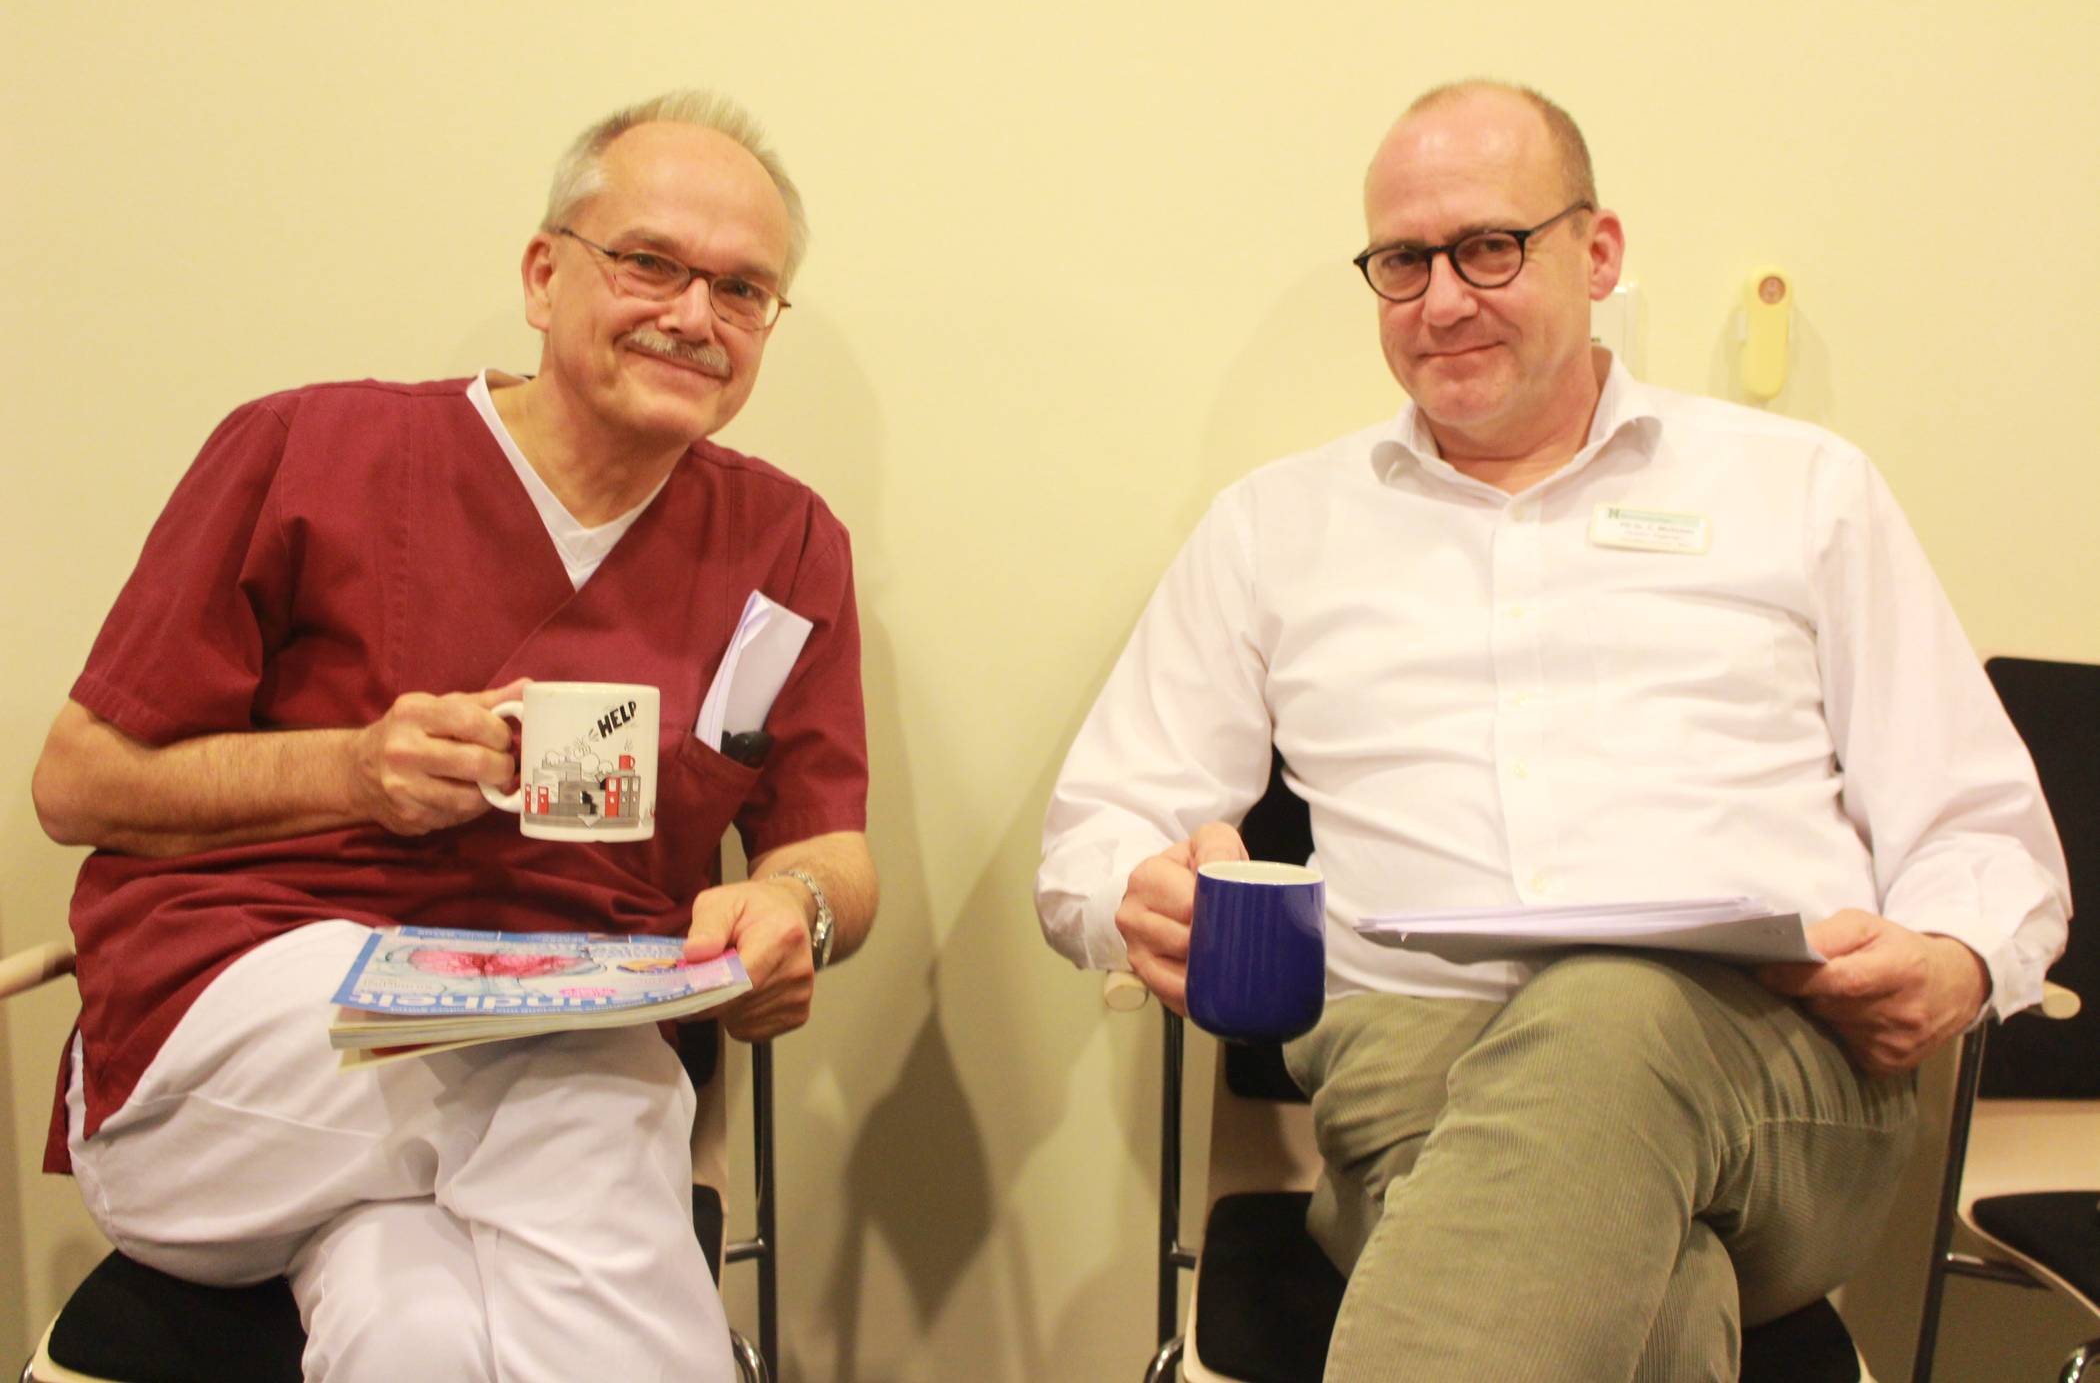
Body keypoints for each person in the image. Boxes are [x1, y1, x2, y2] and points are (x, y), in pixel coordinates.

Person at [1035, 80, 2068, 1381]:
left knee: (1613, 1014)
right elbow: (1098, 822)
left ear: (1601, 251)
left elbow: (1980, 824)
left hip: (1775, 1072)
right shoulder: (1275, 528)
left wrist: (1958, 963)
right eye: (1404, 262)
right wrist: (1133, 892)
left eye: (1490, 247)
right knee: (1651, 1293)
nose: (1444, 297)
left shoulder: (1802, 491)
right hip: (1402, 1062)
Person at [32, 90, 876, 1383]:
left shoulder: (788, 542)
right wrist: (349, 771)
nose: (695, 316)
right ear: (544, 276)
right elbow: (76, 782)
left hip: (489, 1101)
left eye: (744, 290)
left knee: (416, 1323)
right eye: (651, 262)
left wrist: (794, 914)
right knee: (591, 1093)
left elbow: (830, 849)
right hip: (232, 1044)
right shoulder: (309, 449)